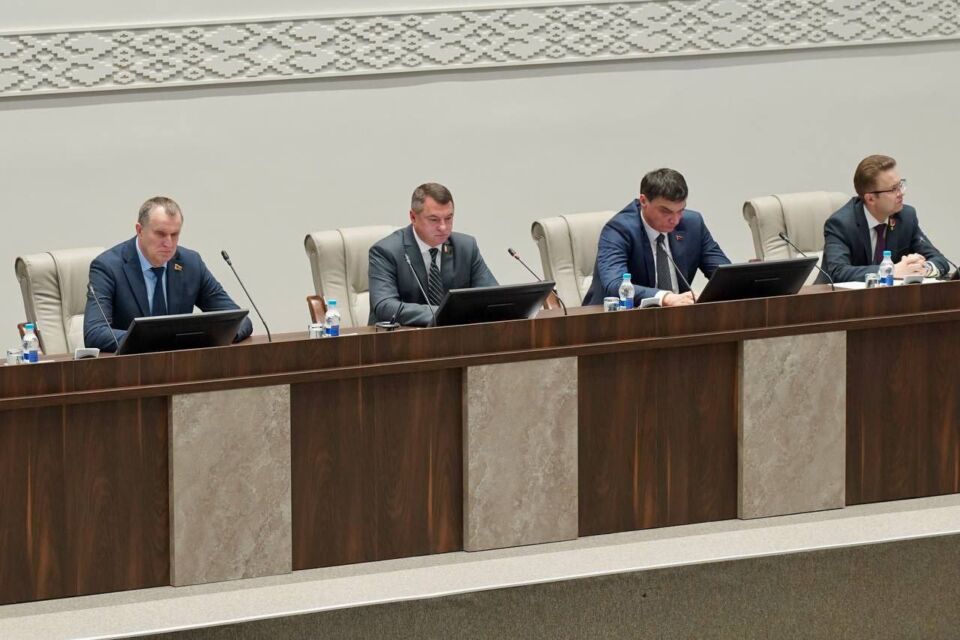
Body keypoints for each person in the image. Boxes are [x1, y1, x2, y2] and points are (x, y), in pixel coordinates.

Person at [83, 196, 253, 351]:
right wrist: (157, 341)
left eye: (175, 234)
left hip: (182, 367)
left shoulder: (191, 264)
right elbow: (95, 333)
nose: (168, 243)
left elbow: (240, 321)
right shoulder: (108, 267)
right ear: (140, 230)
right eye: (160, 234)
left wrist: (204, 337)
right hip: (131, 368)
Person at [582, 168, 730, 307]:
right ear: (643, 201)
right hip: (613, 318)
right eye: (665, 211)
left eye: (680, 210)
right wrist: (666, 298)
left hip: (675, 319)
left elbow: (725, 274)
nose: (675, 220)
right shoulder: (619, 229)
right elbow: (615, 285)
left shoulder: (693, 224)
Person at [368, 182, 498, 326]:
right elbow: (385, 306)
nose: (443, 227)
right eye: (434, 220)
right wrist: (445, 313)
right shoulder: (386, 251)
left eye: (448, 218)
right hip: (402, 337)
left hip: (456, 337)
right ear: (413, 217)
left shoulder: (466, 247)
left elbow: (493, 298)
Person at [819, 154, 949, 283]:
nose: (901, 193)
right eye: (893, 189)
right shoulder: (841, 224)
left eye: (900, 185)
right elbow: (838, 272)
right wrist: (891, 271)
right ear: (870, 199)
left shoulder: (905, 217)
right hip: (836, 296)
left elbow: (940, 260)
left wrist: (922, 269)